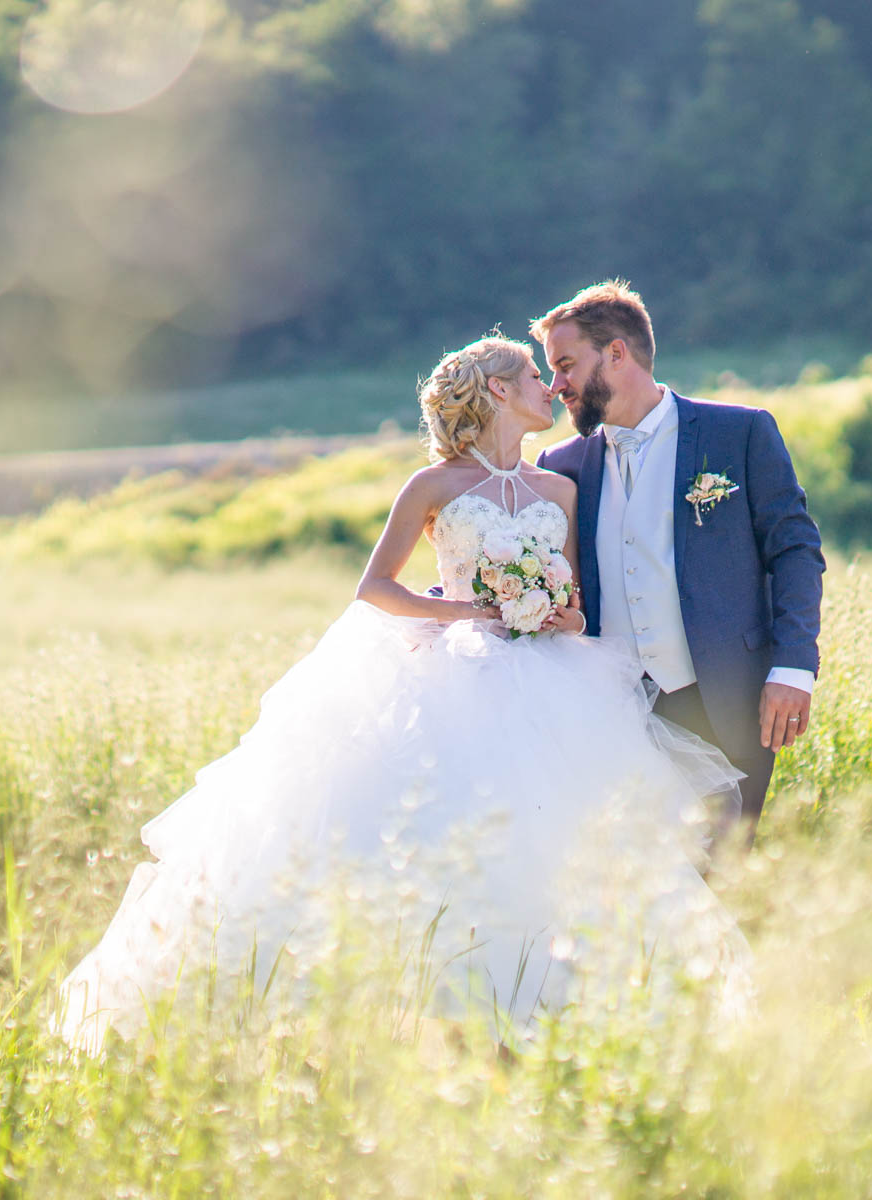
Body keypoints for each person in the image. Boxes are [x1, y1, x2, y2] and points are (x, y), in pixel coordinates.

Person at [54, 335, 748, 1055]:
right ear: (499, 393)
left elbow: (573, 603)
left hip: (555, 679)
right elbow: (375, 588)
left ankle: (552, 1021)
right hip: (461, 673)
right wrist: (463, 610)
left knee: (559, 841)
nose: (550, 389)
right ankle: (402, 1018)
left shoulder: (559, 490)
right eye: (534, 377)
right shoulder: (434, 486)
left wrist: (551, 612)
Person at [534, 281, 825, 847]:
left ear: (616, 353)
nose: (556, 385)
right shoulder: (559, 465)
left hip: (727, 700)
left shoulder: (738, 432)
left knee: (725, 875)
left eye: (566, 364)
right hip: (610, 713)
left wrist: (793, 667)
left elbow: (795, 552)